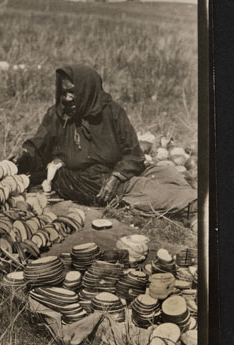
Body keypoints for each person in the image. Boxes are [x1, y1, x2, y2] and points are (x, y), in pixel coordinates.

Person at [13, 64, 198, 230]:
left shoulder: (112, 112)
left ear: (87, 91)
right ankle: (189, 208)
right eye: (62, 93)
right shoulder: (58, 116)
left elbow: (134, 155)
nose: (67, 99)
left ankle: (184, 210)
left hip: (118, 174)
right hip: (93, 181)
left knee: (170, 175)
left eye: (72, 92)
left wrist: (117, 176)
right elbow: (37, 149)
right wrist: (24, 156)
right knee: (186, 199)